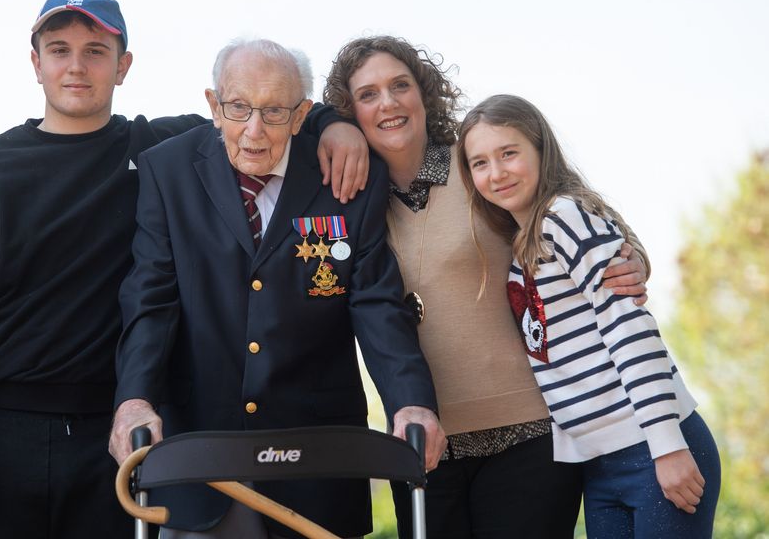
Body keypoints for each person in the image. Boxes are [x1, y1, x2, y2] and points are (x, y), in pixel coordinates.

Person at [0, 0, 367, 538]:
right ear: (36, 64)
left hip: (118, 438)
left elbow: (262, 109)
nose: (76, 66)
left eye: (95, 51)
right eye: (59, 50)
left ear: (123, 66)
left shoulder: (158, 149)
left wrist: (334, 123)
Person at [109, 38, 445, 539]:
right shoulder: (167, 169)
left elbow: (375, 301)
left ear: (301, 115)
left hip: (317, 457)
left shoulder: (346, 175)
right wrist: (134, 400)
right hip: (200, 452)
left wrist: (411, 401)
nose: (254, 129)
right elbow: (151, 298)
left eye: (273, 111)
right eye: (238, 107)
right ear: (213, 105)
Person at [322, 36, 651, 539]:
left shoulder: (475, 164)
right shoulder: (351, 197)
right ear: (350, 113)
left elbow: (569, 205)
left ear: (423, 93)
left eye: (400, 85)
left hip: (529, 435)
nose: (388, 102)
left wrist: (634, 256)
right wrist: (326, 128)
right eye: (368, 95)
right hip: (422, 445)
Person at [456, 93, 720, 538]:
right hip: (599, 464)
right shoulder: (524, 246)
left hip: (653, 446)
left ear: (541, 149)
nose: (496, 173)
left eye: (509, 153)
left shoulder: (564, 215)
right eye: (480, 163)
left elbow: (627, 328)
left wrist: (667, 444)